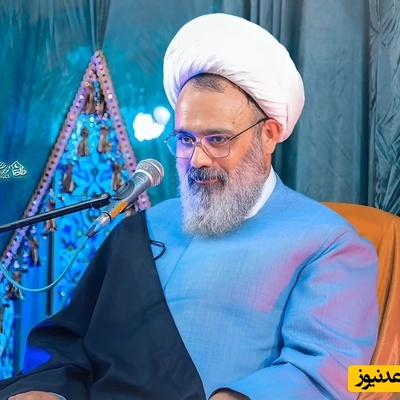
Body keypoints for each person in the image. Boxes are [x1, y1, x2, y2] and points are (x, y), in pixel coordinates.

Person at [1, 13, 378, 400]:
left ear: (268, 135)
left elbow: (330, 372)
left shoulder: (328, 242)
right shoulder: (143, 227)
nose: (196, 159)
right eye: (185, 139)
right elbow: (70, 345)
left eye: (217, 139)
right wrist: (46, 389)